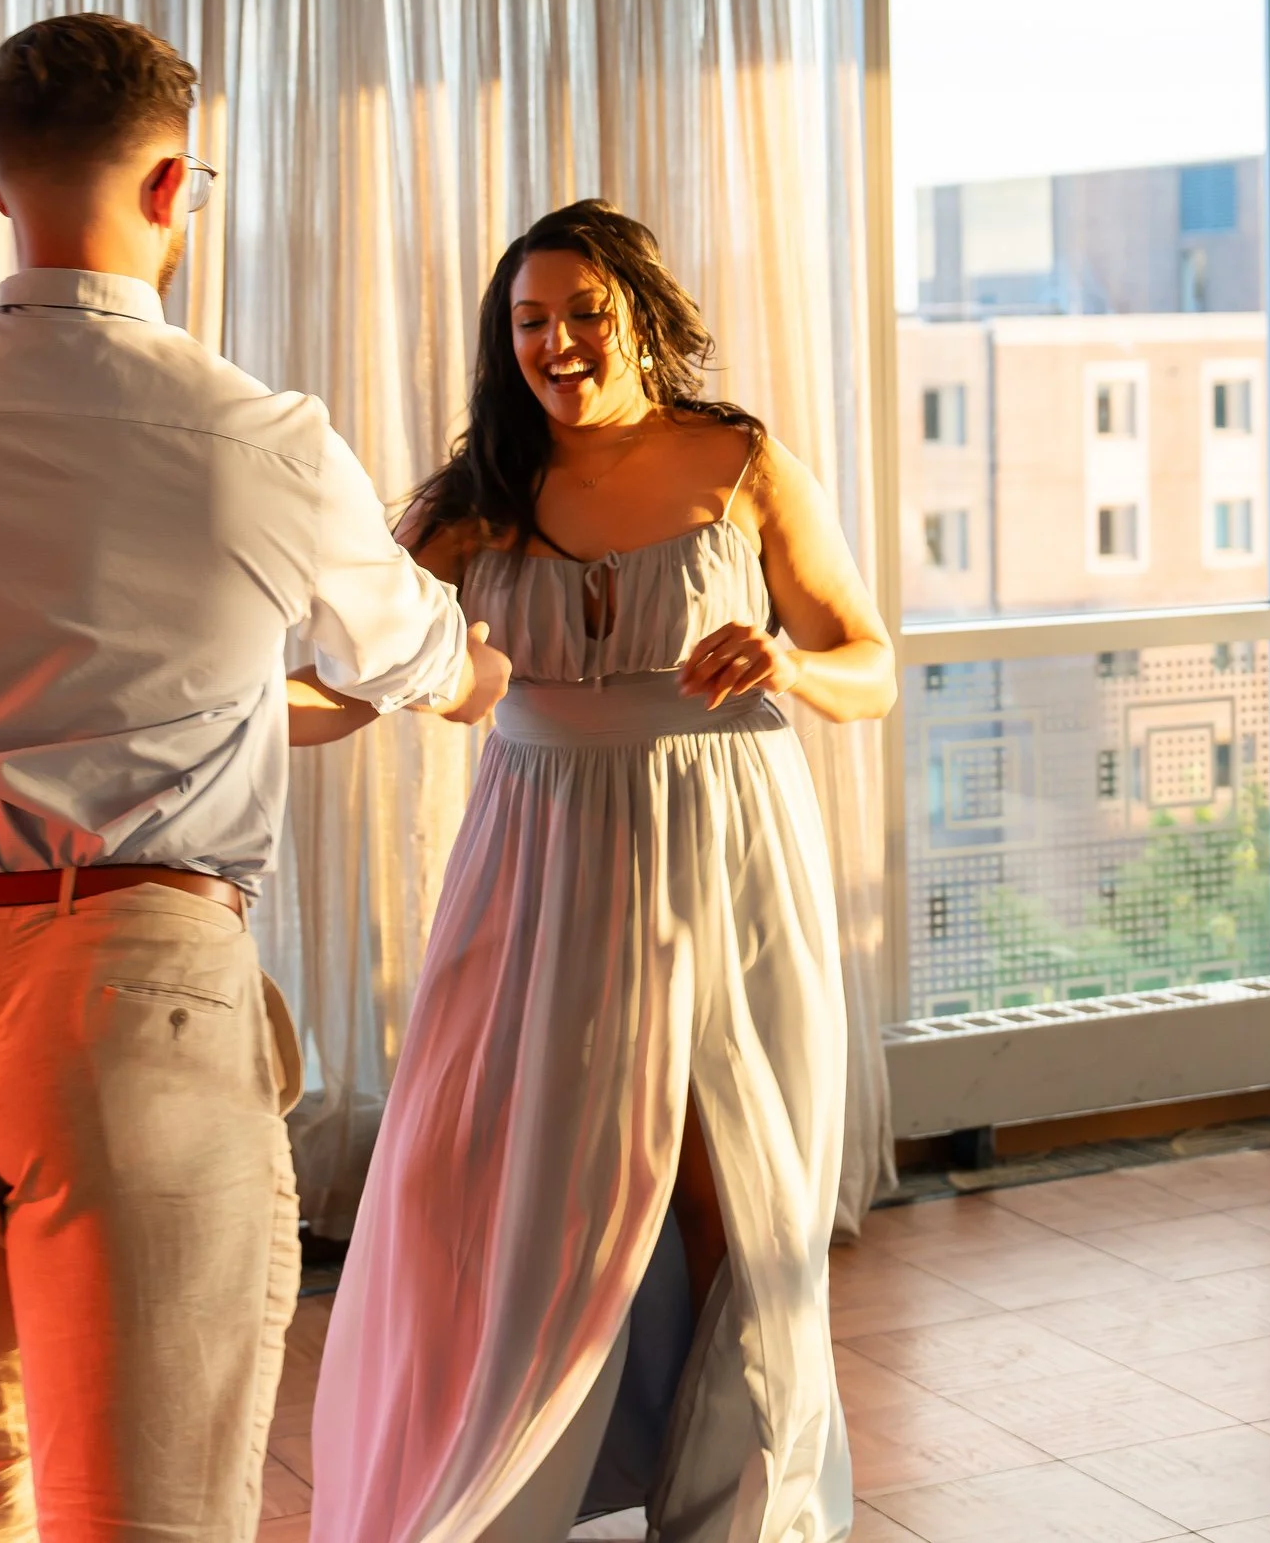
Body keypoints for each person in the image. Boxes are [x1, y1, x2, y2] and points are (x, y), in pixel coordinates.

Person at [0, 11, 509, 1543]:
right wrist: (477, 669)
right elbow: (418, 661)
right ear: (175, 188)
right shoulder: (257, 437)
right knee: (148, 1507)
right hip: (124, 997)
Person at [309, 200, 896, 1543]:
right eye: (530, 321)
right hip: (542, 869)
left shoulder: (739, 460)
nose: (558, 343)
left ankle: (733, 1504)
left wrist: (787, 661)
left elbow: (869, 665)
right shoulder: (473, 502)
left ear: (641, 315)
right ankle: (492, 1480)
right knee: (522, 1188)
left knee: (731, 1180)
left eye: (585, 313)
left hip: (727, 856)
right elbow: (349, 680)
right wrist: (201, 704)